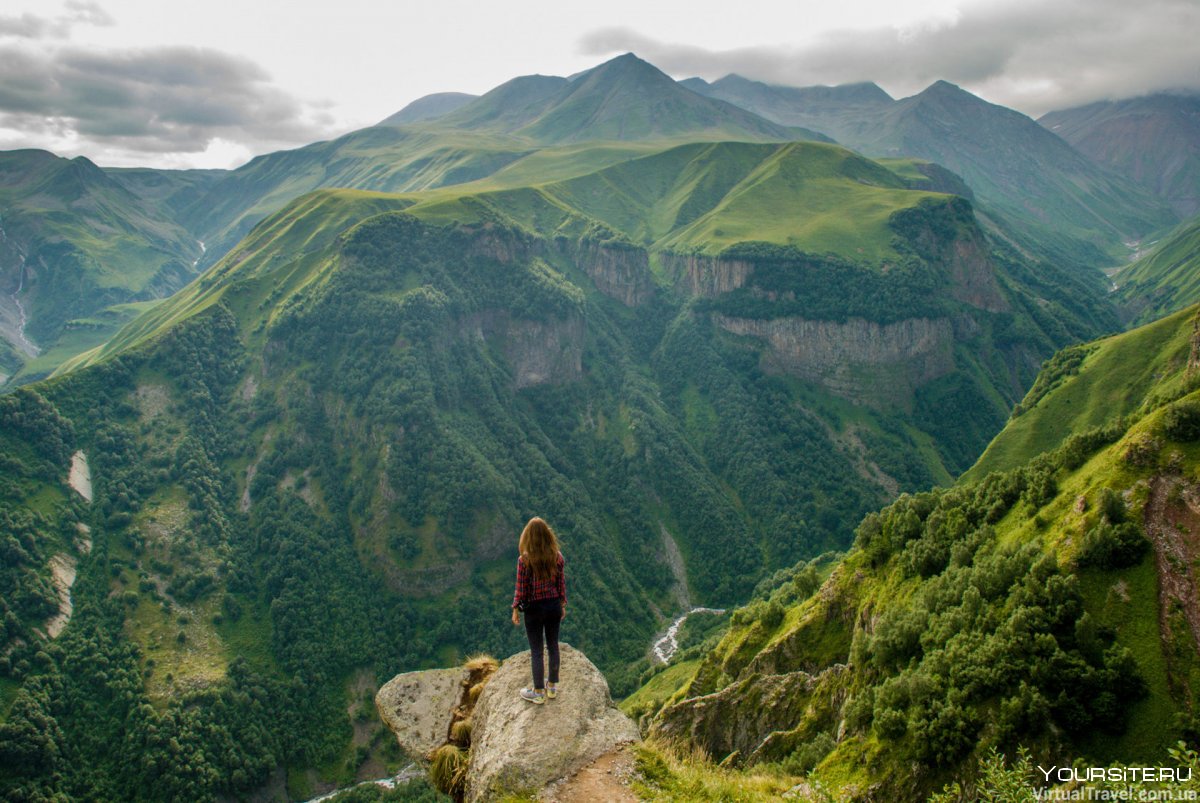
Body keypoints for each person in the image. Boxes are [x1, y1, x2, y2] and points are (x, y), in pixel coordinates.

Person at [510, 516, 567, 704]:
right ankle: (552, 687)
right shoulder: (557, 556)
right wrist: (562, 605)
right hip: (553, 606)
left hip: (534, 609)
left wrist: (516, 609)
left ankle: (538, 692)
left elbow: (521, 588)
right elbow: (561, 584)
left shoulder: (524, 560)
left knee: (536, 651)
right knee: (553, 645)